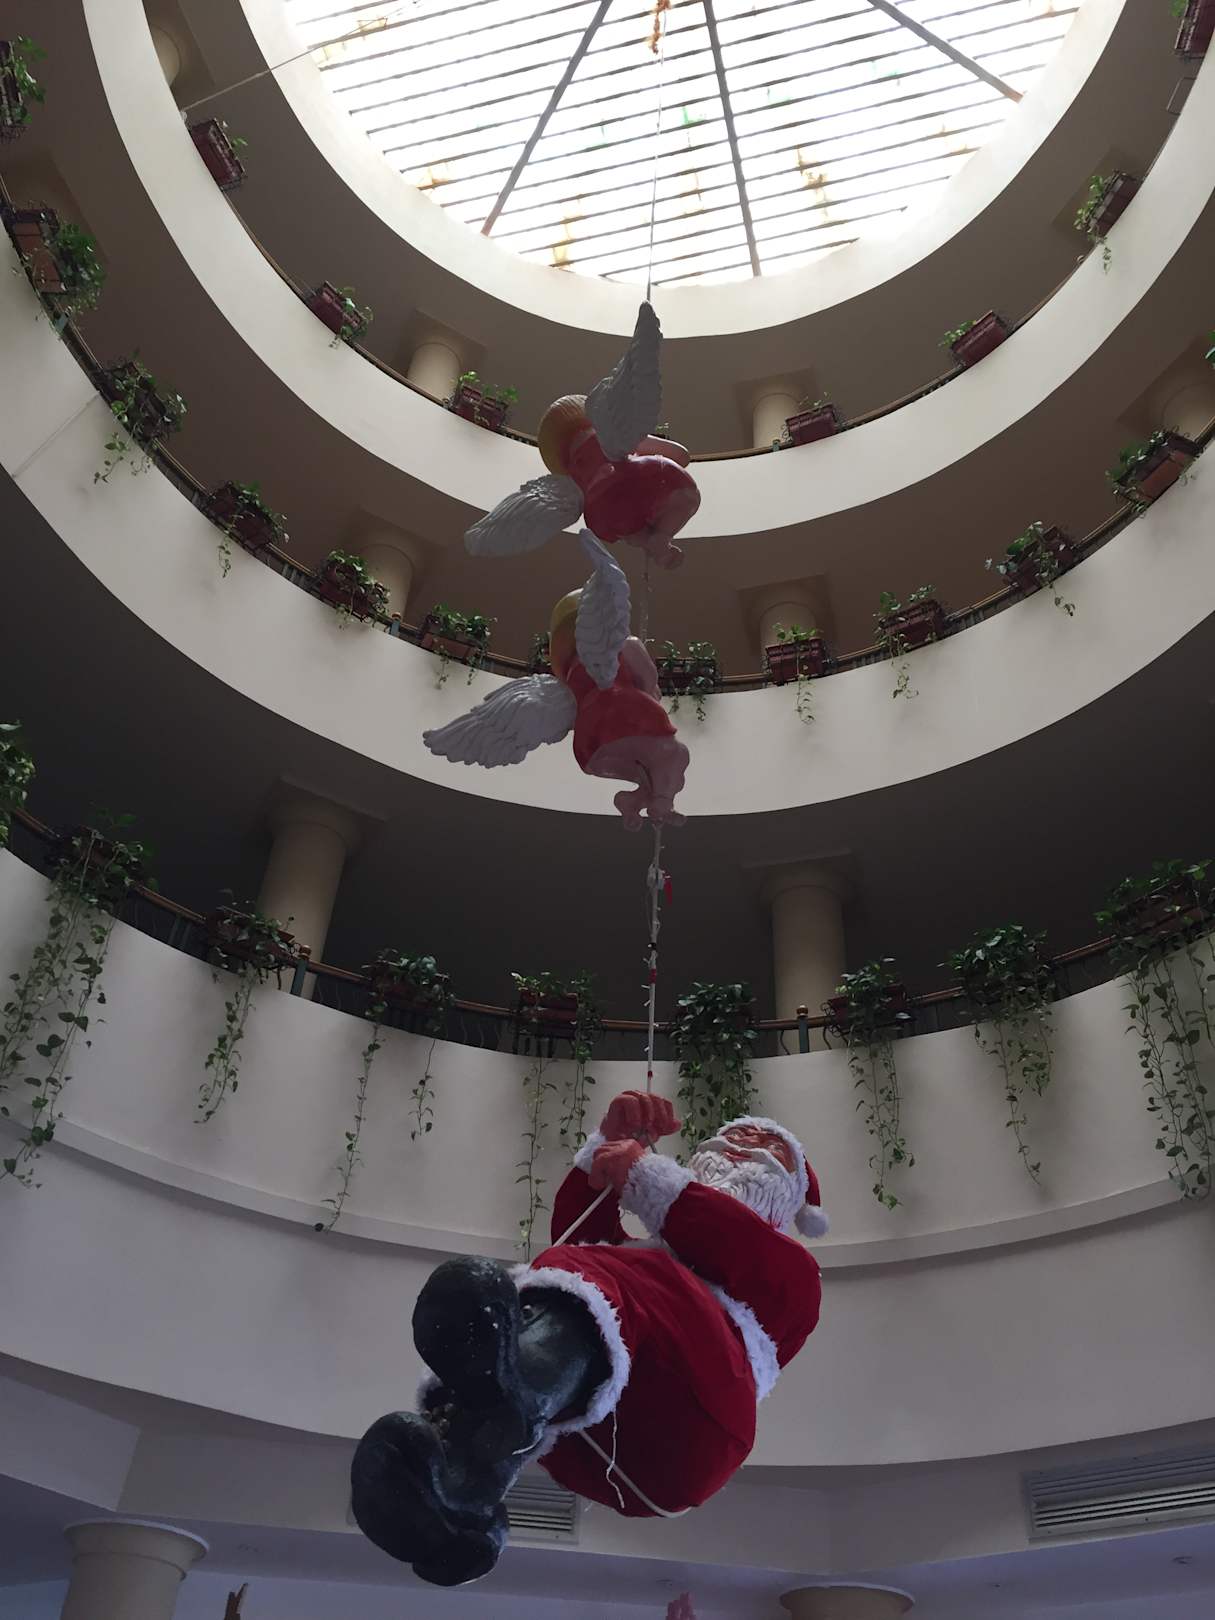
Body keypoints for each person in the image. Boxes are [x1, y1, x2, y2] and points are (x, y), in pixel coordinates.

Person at [351, 1091, 827, 1587]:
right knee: (584, 1273)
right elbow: (582, 1245)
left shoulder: (791, 1272)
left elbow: (728, 1237)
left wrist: (641, 1174)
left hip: (698, 1426)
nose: (742, 1145)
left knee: (609, 1279)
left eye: (769, 1146)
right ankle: (459, 1494)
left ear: (790, 1194)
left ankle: (516, 1382)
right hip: (600, 1444)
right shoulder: (643, 1279)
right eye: (735, 1135)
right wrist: (604, 1155)